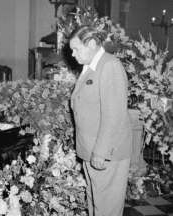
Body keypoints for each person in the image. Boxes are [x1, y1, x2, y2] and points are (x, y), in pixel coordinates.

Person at [69, 25, 133, 216]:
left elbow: (114, 115)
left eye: (76, 49)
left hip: (106, 152)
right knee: (96, 203)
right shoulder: (90, 68)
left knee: (107, 208)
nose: (72, 54)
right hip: (92, 149)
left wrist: (100, 152)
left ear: (91, 44)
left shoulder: (109, 65)